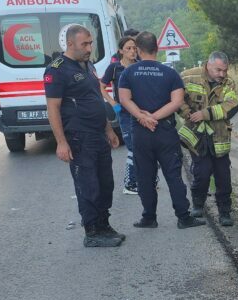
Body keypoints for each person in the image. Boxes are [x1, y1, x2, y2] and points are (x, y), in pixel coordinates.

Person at [45, 24, 125, 248]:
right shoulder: (57, 70)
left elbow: (95, 99)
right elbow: (53, 108)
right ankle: (92, 232)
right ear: (70, 44)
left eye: (90, 43)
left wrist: (109, 129)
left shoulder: (88, 65)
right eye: (85, 44)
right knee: (88, 185)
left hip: (98, 134)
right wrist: (61, 142)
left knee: (105, 183)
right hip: (79, 137)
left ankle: (103, 224)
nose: (90, 48)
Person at [117, 32, 204, 230]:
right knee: (173, 175)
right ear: (157, 48)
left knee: (145, 176)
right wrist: (155, 117)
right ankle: (183, 217)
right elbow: (177, 102)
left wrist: (143, 118)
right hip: (165, 131)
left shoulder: (128, 73)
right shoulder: (170, 73)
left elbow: (124, 99)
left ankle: (149, 217)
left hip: (141, 132)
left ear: (138, 50)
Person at [178, 51, 238, 227]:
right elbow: (176, 98)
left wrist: (204, 114)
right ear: (208, 65)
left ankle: (225, 211)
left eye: (225, 70)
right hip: (196, 135)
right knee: (202, 172)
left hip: (219, 136)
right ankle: (198, 204)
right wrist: (188, 113)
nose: (222, 74)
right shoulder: (188, 77)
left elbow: (231, 106)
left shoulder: (229, 83)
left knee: (223, 176)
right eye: (218, 70)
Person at [101, 35, 150, 196]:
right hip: (124, 113)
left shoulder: (140, 66)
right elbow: (101, 86)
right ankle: (130, 184)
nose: (132, 51)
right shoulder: (114, 68)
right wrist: (112, 102)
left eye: (134, 48)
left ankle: (147, 181)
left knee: (144, 147)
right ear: (121, 51)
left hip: (140, 111)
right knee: (132, 147)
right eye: (128, 48)